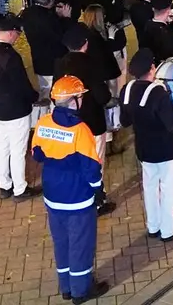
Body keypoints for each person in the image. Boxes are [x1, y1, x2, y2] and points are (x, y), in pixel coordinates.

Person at [31, 75, 110, 302]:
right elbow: (91, 168)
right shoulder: (81, 130)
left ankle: (66, 287)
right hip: (77, 196)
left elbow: (36, 153)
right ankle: (81, 290)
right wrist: (98, 190)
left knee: (62, 241)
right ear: (74, 101)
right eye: (80, 97)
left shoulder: (44, 123)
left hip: (52, 194)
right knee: (80, 244)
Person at [120, 50, 173, 243]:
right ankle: (168, 229)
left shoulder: (127, 90)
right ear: (152, 69)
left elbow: (124, 121)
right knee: (169, 188)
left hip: (144, 149)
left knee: (150, 187)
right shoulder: (158, 94)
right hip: (165, 149)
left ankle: (153, 225)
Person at [0, 14, 40, 200]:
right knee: (18, 150)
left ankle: (4, 185)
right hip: (17, 108)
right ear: (11, 33)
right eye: (17, 35)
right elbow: (22, 84)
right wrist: (34, 97)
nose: (18, 38)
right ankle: (20, 188)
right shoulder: (11, 56)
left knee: (2, 146)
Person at [54, 24, 116, 214]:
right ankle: (97, 200)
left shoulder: (59, 63)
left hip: (69, 124)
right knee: (95, 161)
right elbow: (102, 96)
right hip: (92, 123)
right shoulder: (92, 63)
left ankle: (79, 196)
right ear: (86, 44)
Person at [25, 0, 74, 100]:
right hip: (55, 64)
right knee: (57, 95)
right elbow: (63, 36)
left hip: (39, 62)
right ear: (50, 1)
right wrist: (65, 18)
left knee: (44, 92)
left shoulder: (28, 13)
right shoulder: (49, 19)